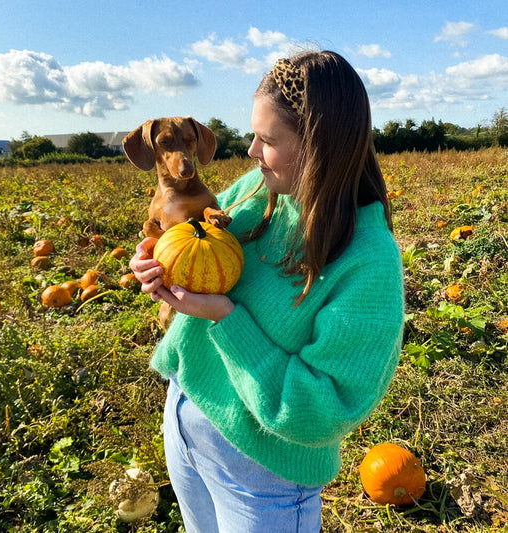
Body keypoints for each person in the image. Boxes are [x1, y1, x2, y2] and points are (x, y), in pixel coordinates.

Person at [129, 50, 405, 533]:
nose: (252, 151)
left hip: (262, 479)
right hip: (186, 429)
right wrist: (160, 262)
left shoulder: (368, 262)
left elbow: (323, 412)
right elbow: (189, 253)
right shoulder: (255, 194)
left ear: (323, 147)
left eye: (267, 140)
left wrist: (225, 318)